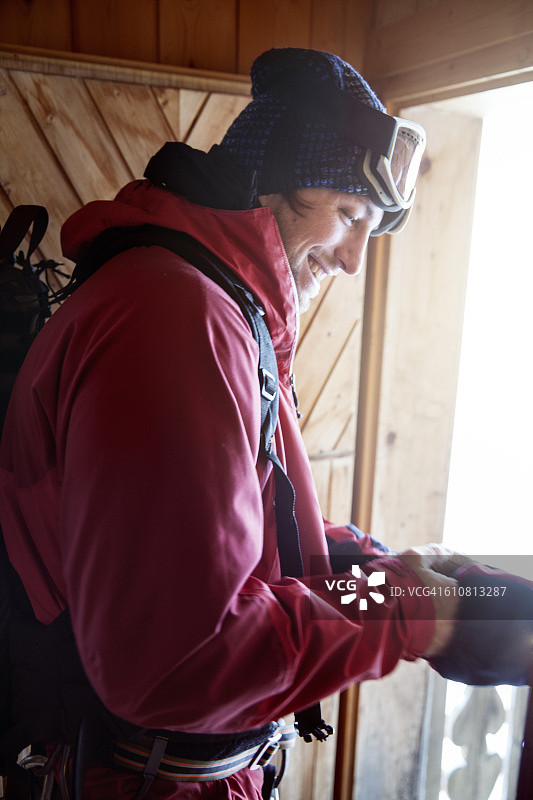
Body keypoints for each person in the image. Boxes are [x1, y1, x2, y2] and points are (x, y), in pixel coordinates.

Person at [0, 47, 463, 800]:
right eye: (349, 215)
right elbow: (178, 660)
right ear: (270, 179)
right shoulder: (174, 316)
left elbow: (244, 536)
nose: (353, 261)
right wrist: (413, 612)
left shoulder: (211, 302)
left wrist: (381, 570)